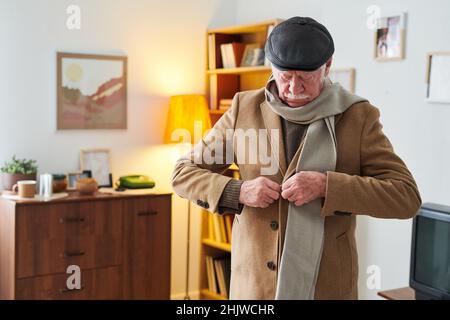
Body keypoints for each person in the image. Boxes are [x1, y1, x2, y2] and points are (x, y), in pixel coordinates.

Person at [171, 17, 421, 300]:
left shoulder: (358, 117)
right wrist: (238, 190)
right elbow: (182, 173)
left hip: (326, 288)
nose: (292, 89)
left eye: (304, 78)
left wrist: (327, 186)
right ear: (272, 68)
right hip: (254, 289)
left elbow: (406, 197)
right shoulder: (243, 108)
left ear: (327, 67)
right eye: (285, 77)